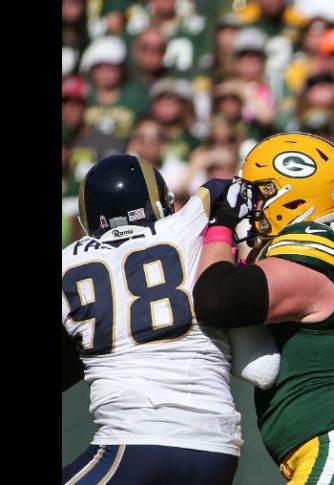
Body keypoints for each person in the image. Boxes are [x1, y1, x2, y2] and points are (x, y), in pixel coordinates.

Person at [192, 133, 334, 484]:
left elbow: (217, 300)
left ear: (290, 196)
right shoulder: (309, 248)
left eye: (258, 193)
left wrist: (219, 225)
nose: (250, 207)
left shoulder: (315, 243)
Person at [61, 154, 279, 484]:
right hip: (219, 448)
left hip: (134, 442)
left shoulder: (67, 263)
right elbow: (222, 190)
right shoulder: (189, 227)